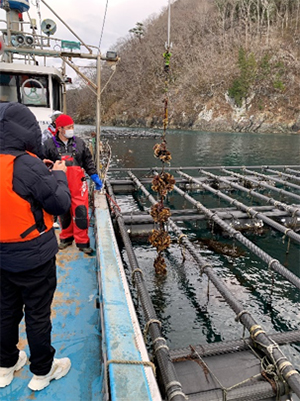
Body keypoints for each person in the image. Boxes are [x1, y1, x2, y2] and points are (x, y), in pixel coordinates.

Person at [0, 102, 72, 390]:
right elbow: (59, 203)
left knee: (5, 311)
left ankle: (5, 365)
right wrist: (58, 175)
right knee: (38, 314)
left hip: (2, 257)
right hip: (33, 257)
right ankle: (43, 371)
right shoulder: (28, 164)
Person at [43, 113, 103, 254]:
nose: (71, 129)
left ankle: (82, 242)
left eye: (72, 126)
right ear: (60, 129)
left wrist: (94, 175)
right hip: (59, 184)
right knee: (64, 213)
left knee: (81, 212)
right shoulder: (48, 145)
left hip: (78, 185)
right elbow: (43, 164)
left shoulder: (80, 143)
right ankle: (66, 238)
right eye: (69, 127)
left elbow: (88, 161)